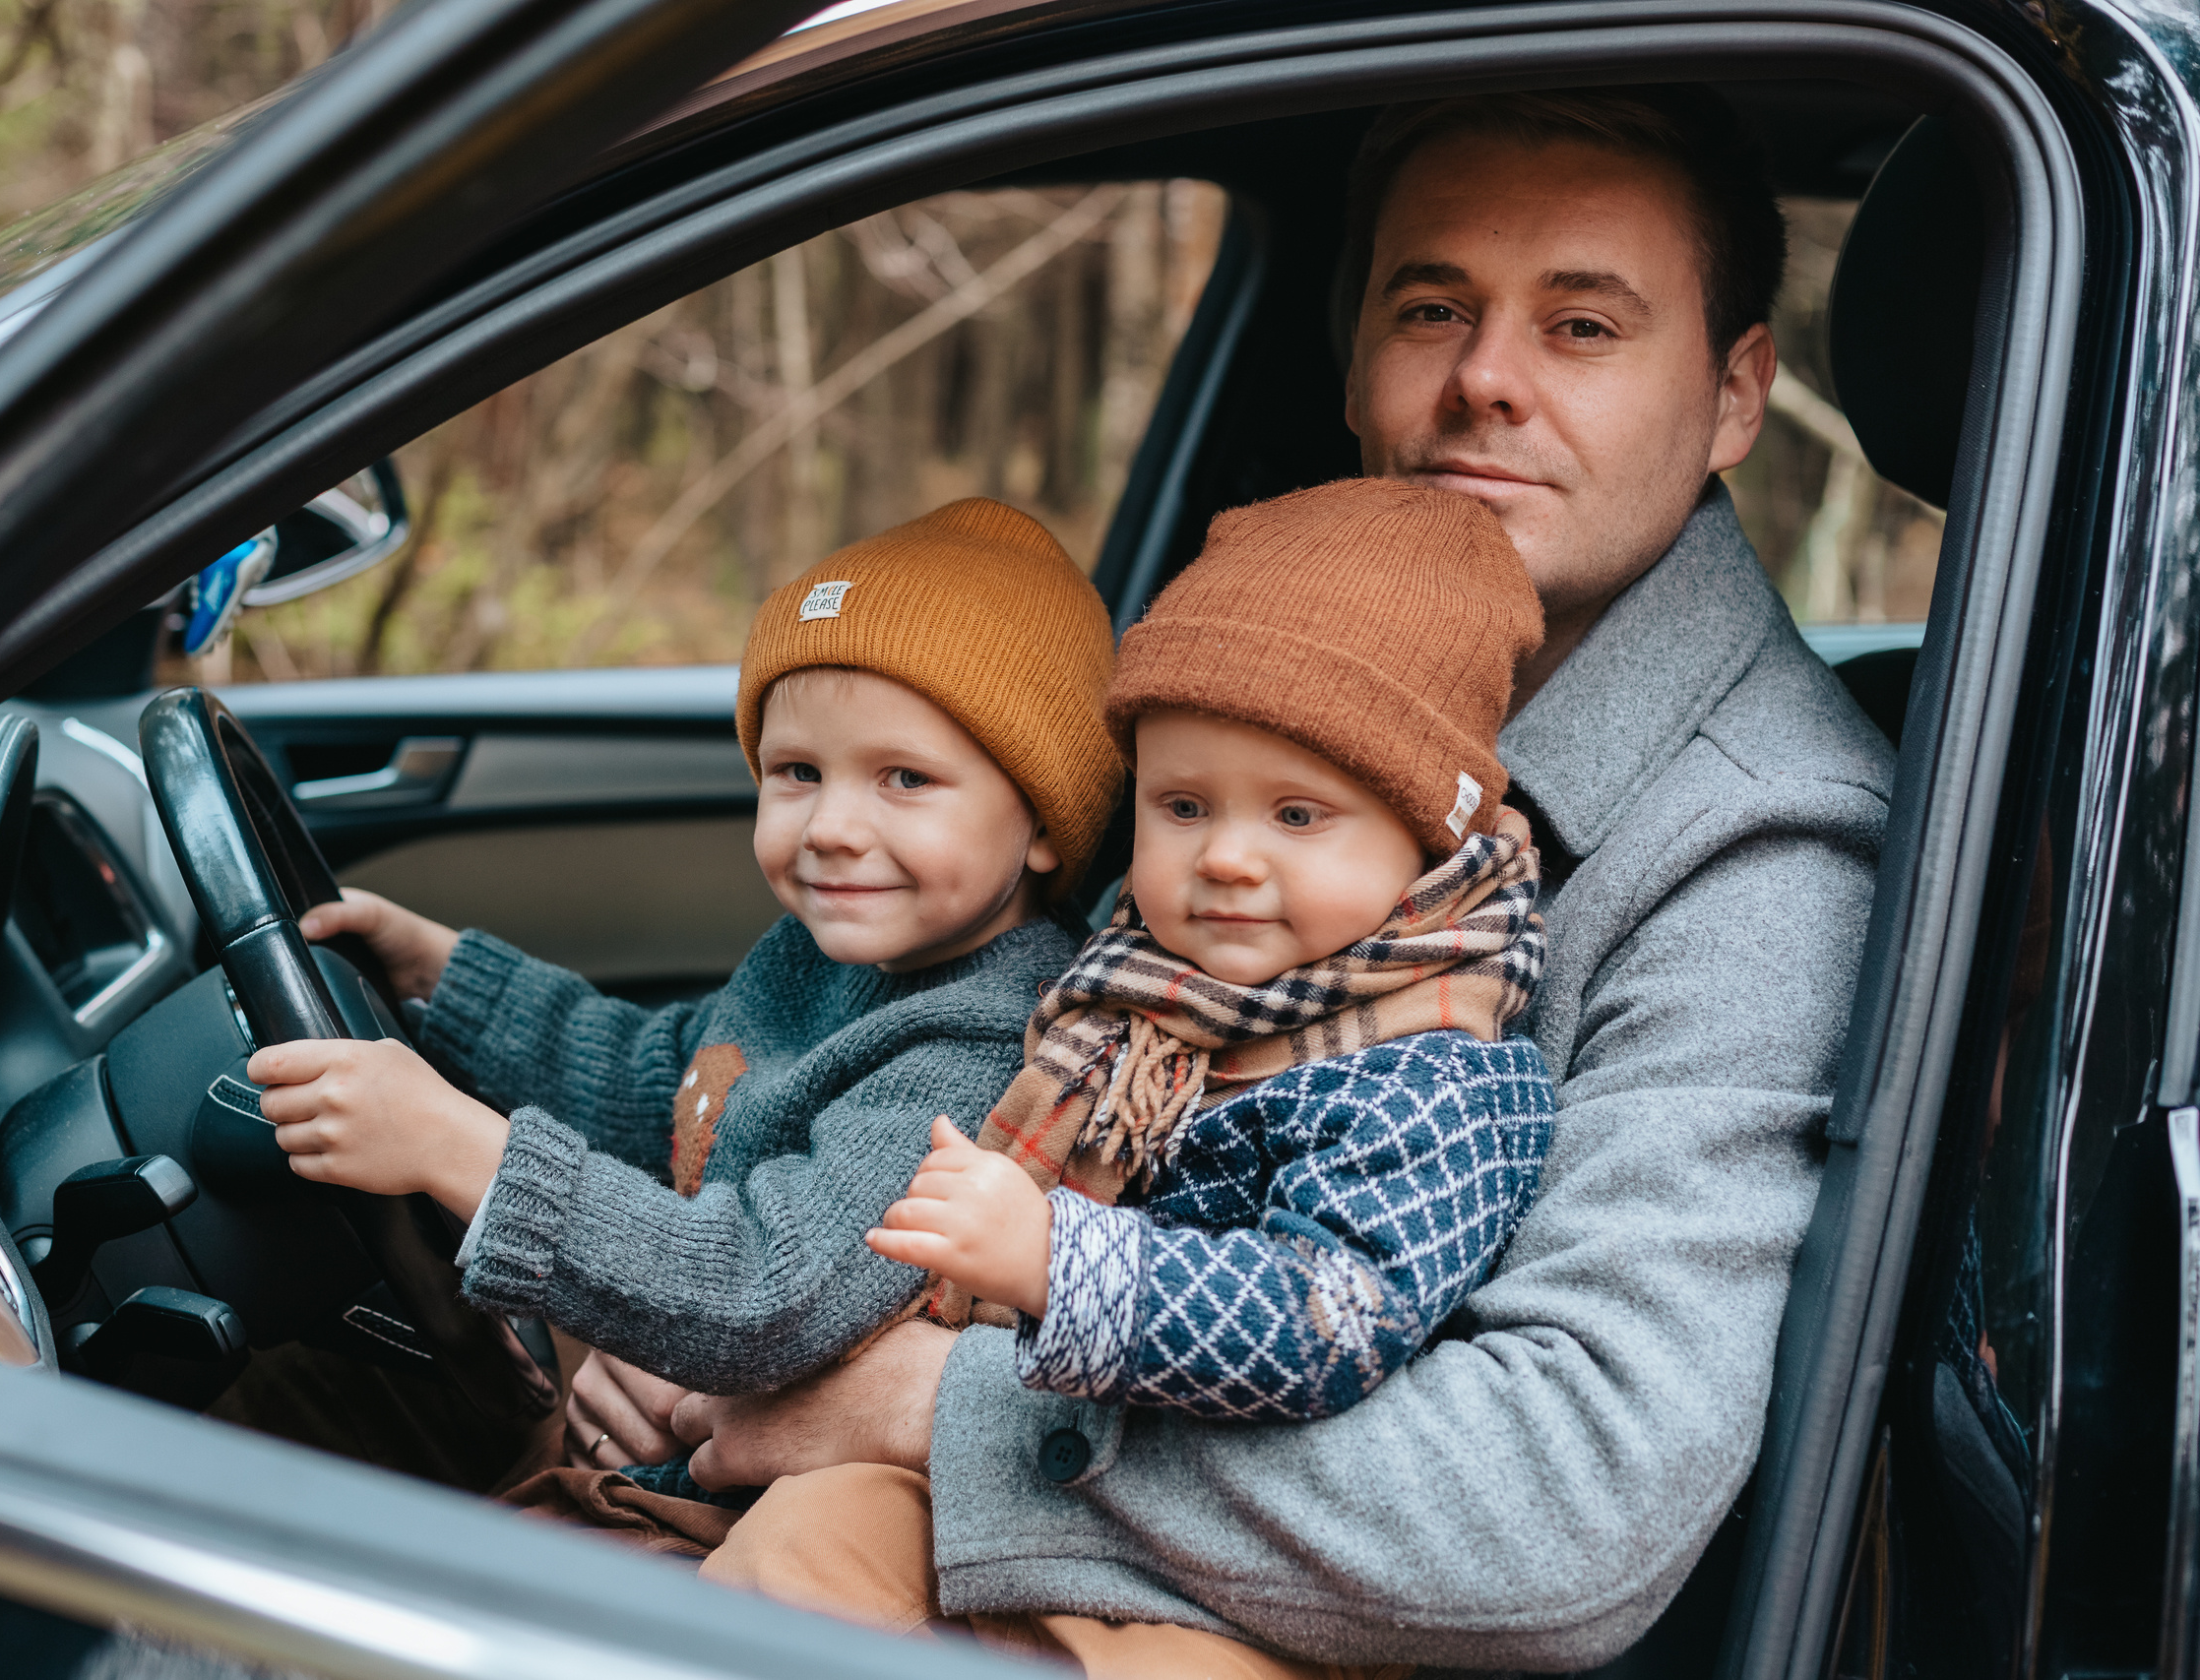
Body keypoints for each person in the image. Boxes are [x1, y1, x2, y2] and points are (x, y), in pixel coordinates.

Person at [663, 86, 1900, 1673]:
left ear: (1735, 395)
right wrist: (717, 1303)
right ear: (1357, 357)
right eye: (1431, 307)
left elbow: (1561, 1506)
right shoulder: (1256, 680)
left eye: (1582, 324)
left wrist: (922, 1410)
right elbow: (980, 1056)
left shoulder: (1761, 845)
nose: (1484, 382)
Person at [709, 479, 1557, 1671]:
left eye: (1298, 816)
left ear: (1430, 841)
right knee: (796, 1543)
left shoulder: (1430, 1075)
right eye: (1181, 804)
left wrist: (1060, 1263)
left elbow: (1332, 1318)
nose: (1224, 857)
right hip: (1044, 1490)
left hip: (1242, 1580)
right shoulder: (1120, 999)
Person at [225, 498, 1120, 1518]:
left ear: (1045, 822)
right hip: (639, 1436)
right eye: (795, 773)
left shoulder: (976, 1045)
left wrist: (456, 1150)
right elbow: (673, 1085)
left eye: (904, 779)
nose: (829, 825)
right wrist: (443, 978)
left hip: (717, 1512)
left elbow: (760, 1294)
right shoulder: (822, 959)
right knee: (281, 1388)